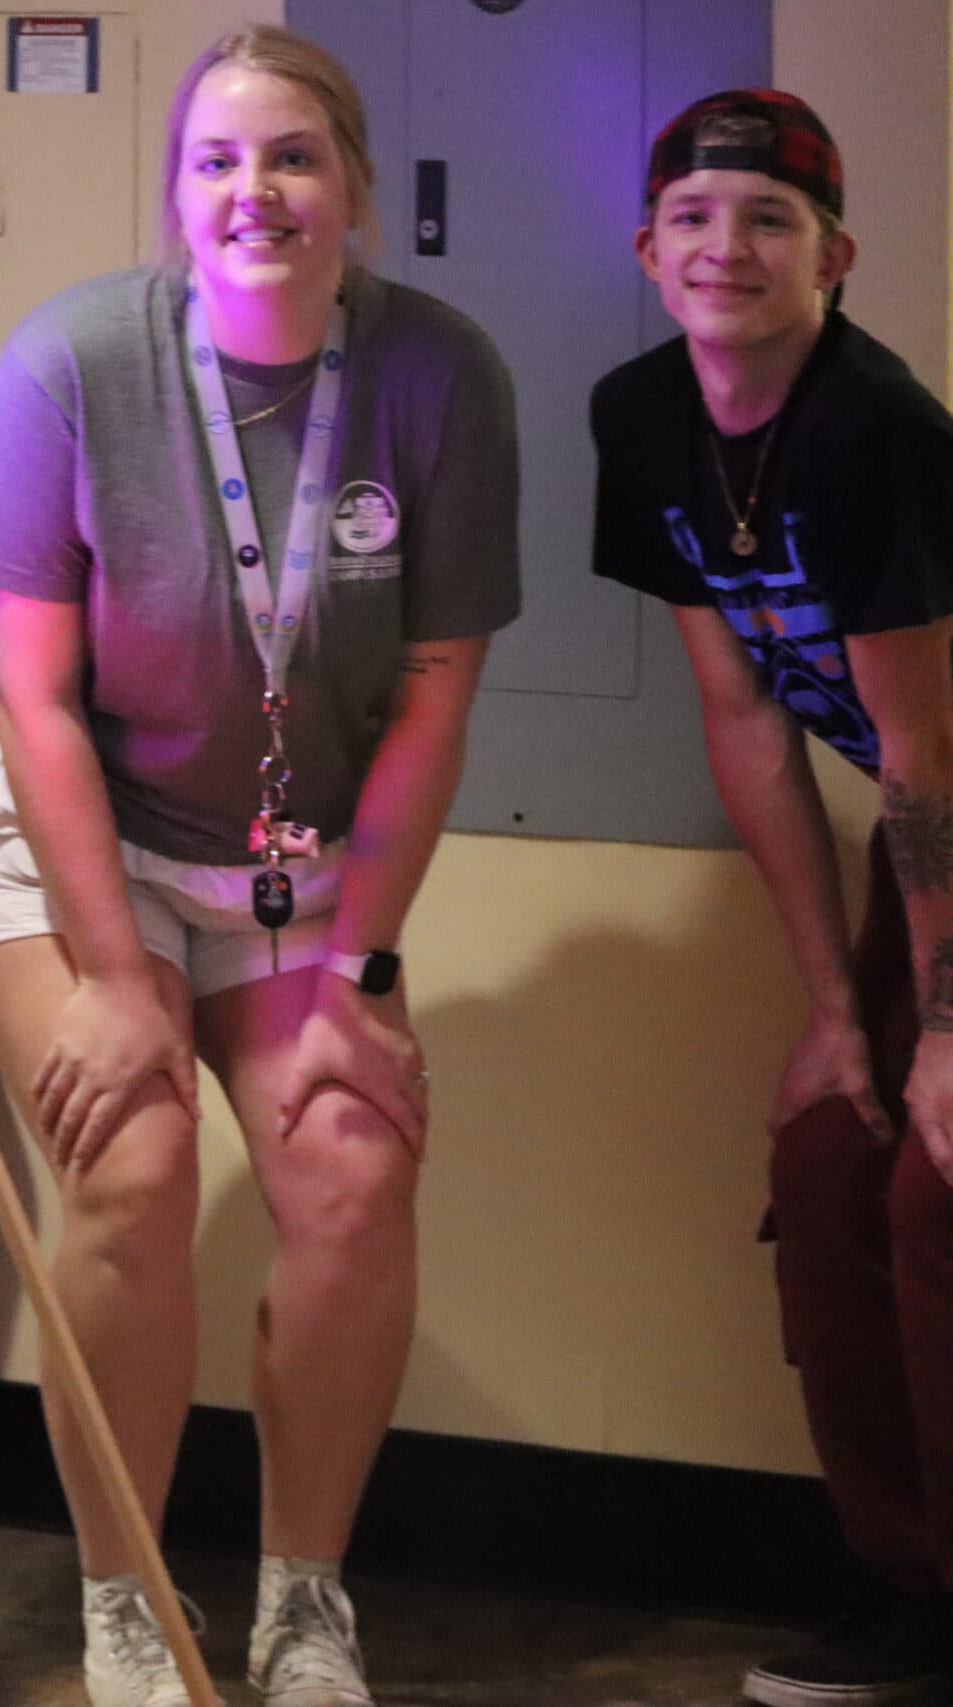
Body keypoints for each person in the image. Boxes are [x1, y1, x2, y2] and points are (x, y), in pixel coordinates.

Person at [0, 25, 519, 1707]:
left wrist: (364, 976)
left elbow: (431, 704)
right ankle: (123, 1598)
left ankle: (303, 1604)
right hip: (59, 824)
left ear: (355, 191)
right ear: (176, 194)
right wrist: (121, 980)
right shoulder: (76, 360)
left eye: (292, 157)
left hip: (284, 844)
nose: (252, 192)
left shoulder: (441, 375)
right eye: (214, 161)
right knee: (131, 1164)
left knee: (350, 1166)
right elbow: (35, 700)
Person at [589, 89, 953, 1707]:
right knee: (827, 1154)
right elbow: (743, 719)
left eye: (771, 221)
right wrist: (831, 1014)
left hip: (940, 805)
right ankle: (907, 1588)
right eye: (694, 218)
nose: (726, 247)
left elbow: (922, 757)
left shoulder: (880, 428)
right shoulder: (641, 416)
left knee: (940, 1183)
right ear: (648, 250)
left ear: (836, 257)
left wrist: (935, 1032)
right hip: (912, 831)